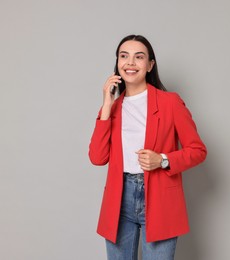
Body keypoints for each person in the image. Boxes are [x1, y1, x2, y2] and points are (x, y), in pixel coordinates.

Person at [88, 34, 207, 260]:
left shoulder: (170, 102)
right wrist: (106, 104)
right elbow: (97, 157)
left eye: (138, 57)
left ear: (150, 65)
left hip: (160, 197)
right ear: (117, 63)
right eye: (124, 56)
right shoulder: (111, 109)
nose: (130, 63)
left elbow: (198, 150)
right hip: (119, 198)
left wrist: (163, 159)